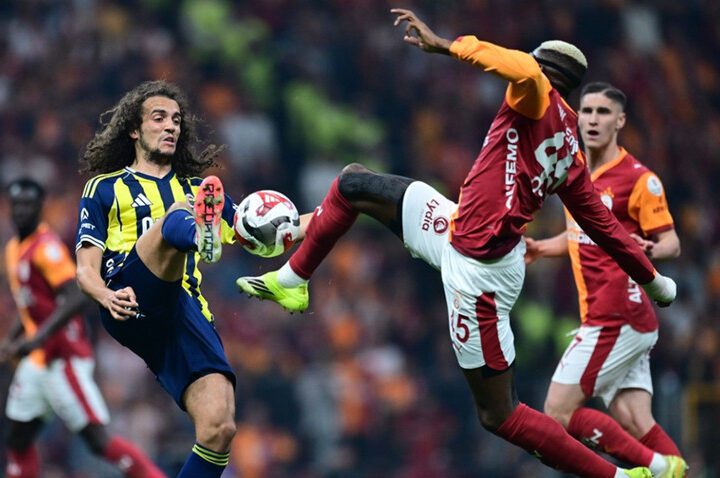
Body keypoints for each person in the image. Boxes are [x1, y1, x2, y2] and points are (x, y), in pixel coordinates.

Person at [236, 9, 679, 478]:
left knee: (499, 414)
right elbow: (605, 227)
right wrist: (652, 281)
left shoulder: (534, 92)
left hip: (478, 276)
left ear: (545, 71)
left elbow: (524, 71)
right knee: (354, 183)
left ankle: (617, 476)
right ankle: (293, 277)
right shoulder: (571, 153)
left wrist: (446, 45)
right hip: (456, 228)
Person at [74, 80, 238, 478]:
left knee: (219, 429)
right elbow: (84, 269)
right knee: (178, 213)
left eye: (176, 120)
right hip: (129, 296)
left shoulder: (198, 189)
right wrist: (105, 297)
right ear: (134, 129)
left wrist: (338, 204)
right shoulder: (105, 188)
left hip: (183, 312)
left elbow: (267, 228)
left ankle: (197, 234)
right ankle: (197, 235)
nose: (171, 127)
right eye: (159, 118)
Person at [524, 82, 686, 477]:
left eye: (603, 112)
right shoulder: (574, 169)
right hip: (621, 318)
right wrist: (541, 248)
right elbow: (582, 234)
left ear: (620, 121)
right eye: (588, 111)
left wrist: (649, 250)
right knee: (633, 419)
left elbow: (672, 243)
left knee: (558, 412)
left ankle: (658, 468)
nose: (593, 120)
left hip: (616, 316)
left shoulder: (639, 179)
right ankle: (678, 471)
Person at [0, 178, 165, 478]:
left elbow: (77, 295)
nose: (21, 211)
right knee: (17, 438)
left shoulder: (46, 248)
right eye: (17, 205)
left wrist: (38, 337)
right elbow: (30, 303)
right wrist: (11, 340)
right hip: (37, 362)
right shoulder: (13, 249)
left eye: (28, 205)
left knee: (97, 441)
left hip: (63, 359)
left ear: (40, 208)